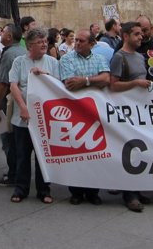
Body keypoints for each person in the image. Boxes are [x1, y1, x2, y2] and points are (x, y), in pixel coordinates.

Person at [59, 29, 110, 205]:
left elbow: (106, 78)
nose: (77, 44)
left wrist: (86, 81)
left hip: (95, 112)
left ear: (91, 43)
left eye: (82, 41)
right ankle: (76, 191)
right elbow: (70, 83)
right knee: (77, 153)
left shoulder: (99, 59)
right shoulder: (66, 59)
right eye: (76, 41)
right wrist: (92, 81)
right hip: (75, 112)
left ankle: (93, 191)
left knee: (95, 153)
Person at [9, 27, 59, 204]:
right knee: (22, 155)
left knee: (42, 156)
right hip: (22, 119)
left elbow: (58, 86)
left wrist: (45, 75)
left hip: (44, 120)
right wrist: (22, 107)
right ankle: (21, 189)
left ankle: (44, 190)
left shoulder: (52, 62)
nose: (44, 44)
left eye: (45, 41)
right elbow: (13, 85)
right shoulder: (19, 62)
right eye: (40, 42)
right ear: (30, 45)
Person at [109, 22, 153, 212]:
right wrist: (135, 83)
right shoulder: (119, 57)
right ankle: (130, 194)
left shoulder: (141, 56)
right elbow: (113, 85)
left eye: (141, 34)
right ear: (126, 36)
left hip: (141, 111)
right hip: (126, 111)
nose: (140, 37)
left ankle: (139, 189)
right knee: (129, 152)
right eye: (136, 34)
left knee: (141, 151)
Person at [0, 23, 26, 187]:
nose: (1, 34)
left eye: (3, 32)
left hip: (8, 104)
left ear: (9, 37)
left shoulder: (10, 54)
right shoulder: (20, 51)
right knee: (16, 140)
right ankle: (18, 172)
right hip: (19, 103)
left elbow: (3, 83)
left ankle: (13, 174)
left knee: (8, 140)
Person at [136, 15, 153, 81]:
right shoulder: (128, 44)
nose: (142, 34)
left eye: (145, 30)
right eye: (139, 31)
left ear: (151, 29)